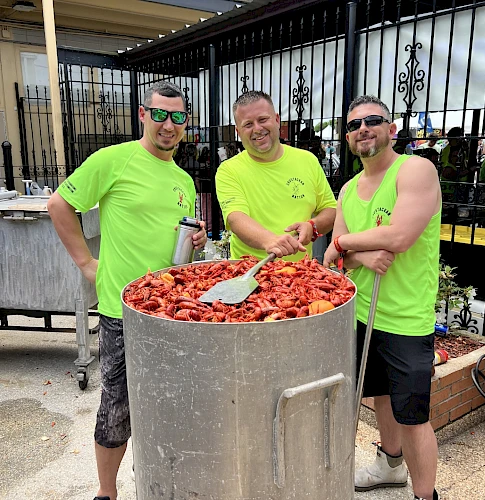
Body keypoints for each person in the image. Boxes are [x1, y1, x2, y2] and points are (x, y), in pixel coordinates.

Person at [47, 81, 207, 500]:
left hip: (170, 311)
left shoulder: (183, 180)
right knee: (117, 406)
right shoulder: (114, 160)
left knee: (169, 403)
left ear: (185, 122)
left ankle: (164, 483)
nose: (167, 125)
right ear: (143, 115)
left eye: (176, 117)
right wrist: (86, 263)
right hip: (124, 312)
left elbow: (178, 252)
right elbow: (59, 205)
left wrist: (197, 243)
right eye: (159, 114)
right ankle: (106, 492)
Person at [323, 95, 441, 500]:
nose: (363, 129)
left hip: (406, 317)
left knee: (412, 415)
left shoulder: (416, 171)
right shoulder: (348, 189)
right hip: (362, 314)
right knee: (379, 397)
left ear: (392, 129)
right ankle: (390, 467)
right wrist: (357, 253)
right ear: (348, 138)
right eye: (354, 125)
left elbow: (400, 236)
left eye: (373, 121)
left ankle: (425, 495)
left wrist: (345, 243)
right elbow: (331, 260)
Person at [216, 90, 336, 261]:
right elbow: (236, 219)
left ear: (277, 120)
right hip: (252, 276)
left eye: (263, 120)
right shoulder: (229, 170)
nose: (257, 129)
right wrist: (271, 241)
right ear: (238, 131)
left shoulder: (307, 160)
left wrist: (312, 226)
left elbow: (331, 209)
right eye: (248, 124)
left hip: (304, 277)